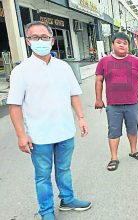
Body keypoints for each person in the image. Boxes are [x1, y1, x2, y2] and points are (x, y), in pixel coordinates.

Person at [7, 21, 91, 220]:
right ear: (28, 41)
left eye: (44, 37)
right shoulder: (21, 71)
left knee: (64, 169)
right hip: (39, 136)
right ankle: (46, 211)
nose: (40, 41)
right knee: (43, 176)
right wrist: (21, 135)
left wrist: (81, 118)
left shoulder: (63, 67)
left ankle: (67, 199)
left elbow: (74, 95)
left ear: (52, 40)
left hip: (64, 131)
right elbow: (14, 106)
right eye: (35, 38)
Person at [95, 32, 138, 171]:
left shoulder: (136, 61)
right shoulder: (104, 62)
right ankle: (114, 158)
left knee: (133, 128)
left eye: (125, 43)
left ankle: (134, 150)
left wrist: (135, 88)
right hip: (113, 105)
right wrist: (99, 99)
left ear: (128, 46)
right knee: (113, 131)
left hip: (132, 103)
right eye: (119, 42)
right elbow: (99, 80)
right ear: (112, 44)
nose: (122, 45)